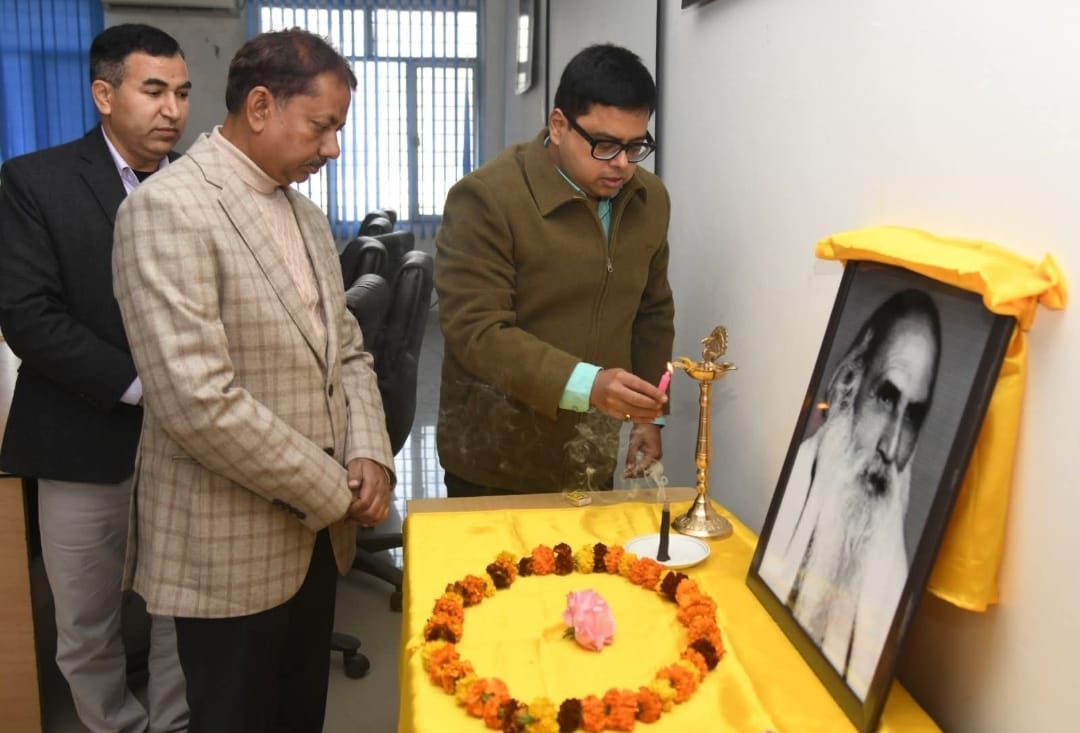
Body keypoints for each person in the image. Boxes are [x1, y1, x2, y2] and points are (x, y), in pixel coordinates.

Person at [110, 30, 395, 731]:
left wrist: (368, 450)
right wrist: (332, 489)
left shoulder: (303, 213)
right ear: (261, 106)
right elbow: (197, 401)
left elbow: (346, 351)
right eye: (321, 126)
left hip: (317, 540)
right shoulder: (168, 209)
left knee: (300, 713)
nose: (333, 148)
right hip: (230, 548)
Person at [0, 24, 190, 733]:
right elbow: (27, 315)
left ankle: (172, 723)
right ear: (104, 95)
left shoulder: (203, 183)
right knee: (86, 620)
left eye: (182, 93)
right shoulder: (35, 181)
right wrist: (146, 386)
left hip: (192, 445)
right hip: (82, 436)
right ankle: (113, 726)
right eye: (154, 90)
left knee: (181, 610)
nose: (172, 109)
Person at [434, 44, 675, 496]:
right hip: (496, 457)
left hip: (591, 451)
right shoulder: (488, 198)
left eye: (635, 146)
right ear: (559, 126)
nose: (622, 164)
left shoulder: (649, 200)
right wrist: (589, 384)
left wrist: (649, 414)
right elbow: (477, 331)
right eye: (605, 145)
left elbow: (653, 311)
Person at [758, 289, 942, 699]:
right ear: (849, 386)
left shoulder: (893, 570)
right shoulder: (799, 483)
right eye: (886, 398)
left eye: (912, 416)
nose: (891, 446)